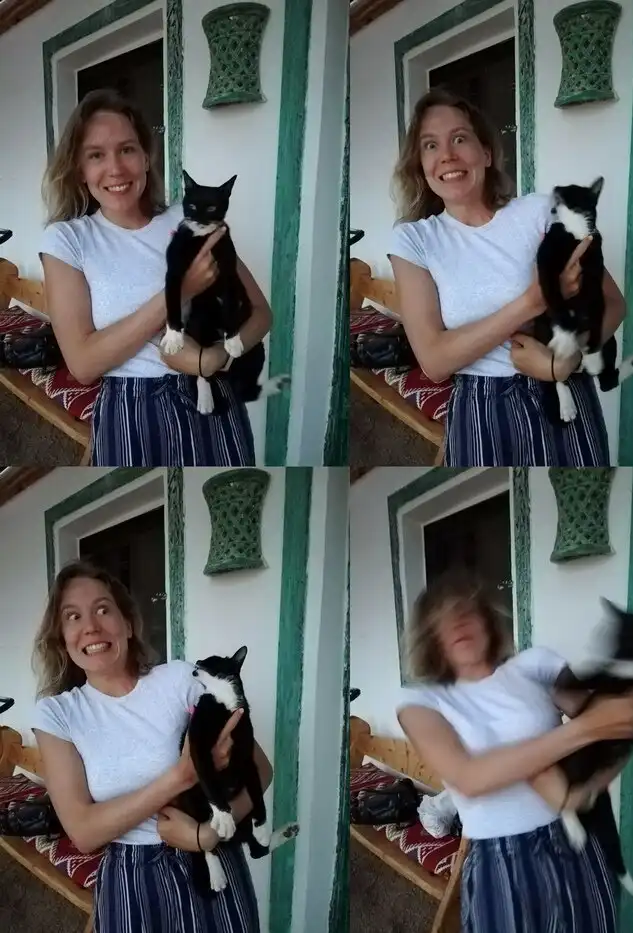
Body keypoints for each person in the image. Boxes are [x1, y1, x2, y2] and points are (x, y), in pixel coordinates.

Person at [397, 572, 633, 933]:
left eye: (467, 610)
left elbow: (611, 726)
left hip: (577, 842)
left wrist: (588, 788)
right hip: (499, 861)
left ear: (488, 620)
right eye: (442, 618)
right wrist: (584, 730)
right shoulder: (421, 703)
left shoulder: (535, 665)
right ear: (430, 638)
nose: (458, 621)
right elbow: (469, 778)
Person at [389, 88, 627, 467]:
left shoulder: (540, 212)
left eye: (459, 138)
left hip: (563, 390)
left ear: (486, 153)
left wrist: (566, 359)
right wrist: (532, 302)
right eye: (430, 145)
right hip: (480, 407)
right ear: (420, 165)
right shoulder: (414, 240)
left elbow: (613, 303)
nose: (447, 155)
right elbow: (434, 360)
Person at [31, 560, 271, 933]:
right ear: (62, 638)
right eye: (73, 616)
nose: (91, 626)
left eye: (102, 609)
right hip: (131, 877)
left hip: (214, 859)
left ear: (128, 624)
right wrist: (182, 776)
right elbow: (83, 831)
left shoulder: (180, 680)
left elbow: (261, 769)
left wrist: (209, 834)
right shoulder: (57, 714)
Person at [39, 89, 273, 467]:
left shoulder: (189, 220)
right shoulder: (68, 240)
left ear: (146, 157)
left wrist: (216, 358)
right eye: (96, 155)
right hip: (131, 407)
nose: (116, 168)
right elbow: (82, 364)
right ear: (79, 169)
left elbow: (261, 312)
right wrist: (180, 290)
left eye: (127, 149)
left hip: (214, 395)